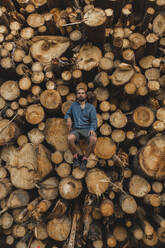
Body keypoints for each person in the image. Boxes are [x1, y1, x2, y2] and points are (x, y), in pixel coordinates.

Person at [64, 88, 97, 170]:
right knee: (70, 138)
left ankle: (85, 159)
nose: (80, 95)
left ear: (85, 95)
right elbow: (67, 114)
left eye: (82, 93)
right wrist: (68, 118)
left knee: (93, 139)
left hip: (87, 130)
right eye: (78, 93)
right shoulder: (73, 106)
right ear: (76, 95)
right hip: (76, 130)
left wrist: (92, 128)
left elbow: (94, 120)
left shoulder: (91, 107)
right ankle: (75, 157)